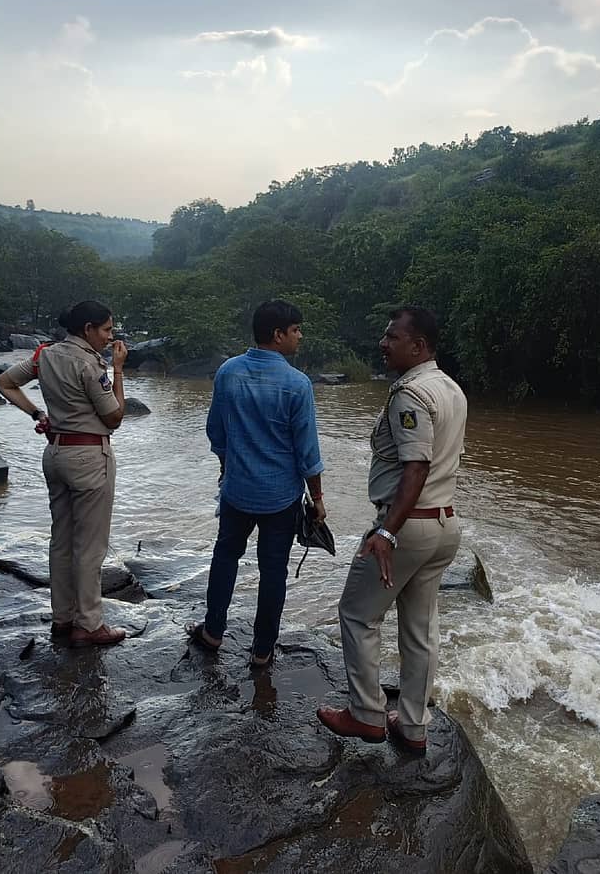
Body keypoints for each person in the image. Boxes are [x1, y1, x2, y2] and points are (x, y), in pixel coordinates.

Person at [317, 307, 466, 756]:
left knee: (358, 614)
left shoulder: (411, 394)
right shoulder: (450, 388)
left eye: (392, 337)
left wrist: (386, 533)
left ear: (417, 346)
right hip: (444, 523)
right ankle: (414, 725)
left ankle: (366, 715)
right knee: (420, 628)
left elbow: (415, 466)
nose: (383, 344)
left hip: (407, 525)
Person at [186, 299, 326, 667]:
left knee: (226, 555)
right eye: (296, 330)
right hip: (281, 496)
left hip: (236, 490)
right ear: (278, 335)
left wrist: (226, 466)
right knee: (273, 570)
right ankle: (262, 650)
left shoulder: (228, 372)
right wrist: (319, 498)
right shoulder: (297, 384)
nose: (300, 336)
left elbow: (216, 431)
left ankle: (213, 631)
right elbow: (307, 450)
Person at [0, 301, 128, 648]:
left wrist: (37, 413)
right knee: (90, 544)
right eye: (106, 330)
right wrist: (118, 371)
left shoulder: (45, 355)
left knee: (61, 539)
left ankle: (62, 618)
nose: (109, 337)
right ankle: (90, 623)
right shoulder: (89, 363)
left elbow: (5, 383)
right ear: (87, 329)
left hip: (55, 453)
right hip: (88, 456)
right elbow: (114, 417)